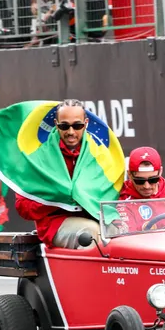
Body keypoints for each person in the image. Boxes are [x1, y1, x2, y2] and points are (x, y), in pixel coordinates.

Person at [13, 100, 102, 248]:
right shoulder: (40, 157)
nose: (71, 132)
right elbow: (23, 207)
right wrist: (60, 199)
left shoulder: (98, 154)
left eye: (77, 125)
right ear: (56, 124)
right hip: (54, 224)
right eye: (64, 126)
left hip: (92, 218)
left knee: (118, 231)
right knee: (90, 233)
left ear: (86, 123)